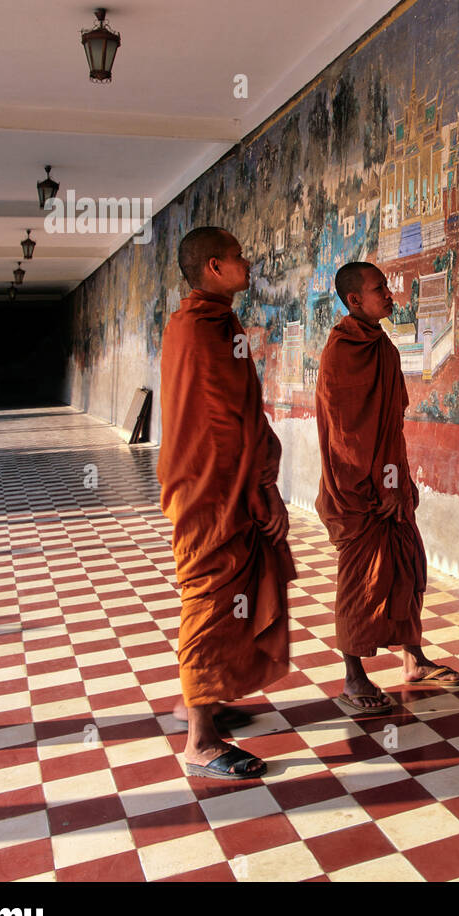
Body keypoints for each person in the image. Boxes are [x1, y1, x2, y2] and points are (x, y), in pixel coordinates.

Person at [158, 227, 295, 781]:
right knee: (211, 600)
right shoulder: (199, 328)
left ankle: (203, 698)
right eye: (239, 257)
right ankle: (199, 742)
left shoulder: (212, 322)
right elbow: (220, 426)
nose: (248, 262)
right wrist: (259, 488)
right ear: (214, 268)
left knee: (228, 597)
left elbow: (235, 410)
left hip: (222, 485)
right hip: (212, 491)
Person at [314, 261, 459, 713]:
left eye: (387, 286)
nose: (390, 294)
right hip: (359, 492)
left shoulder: (381, 345)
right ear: (355, 300)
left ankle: (413, 660)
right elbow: (346, 434)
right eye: (380, 289)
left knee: (406, 569)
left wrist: (398, 480)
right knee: (361, 583)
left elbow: (389, 424)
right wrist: (375, 486)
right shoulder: (342, 351)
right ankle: (353, 677)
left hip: (390, 486)